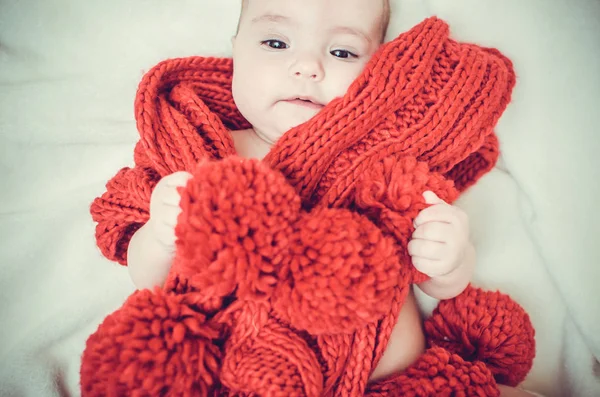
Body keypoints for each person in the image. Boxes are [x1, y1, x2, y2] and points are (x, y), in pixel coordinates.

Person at [123, 0, 537, 394]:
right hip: (243, 375)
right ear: (236, 52)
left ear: (377, 70)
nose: (307, 67)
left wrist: (450, 261)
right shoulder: (198, 154)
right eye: (275, 43)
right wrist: (161, 236)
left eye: (342, 52)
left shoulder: (384, 162)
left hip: (396, 384)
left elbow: (438, 285)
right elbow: (151, 281)